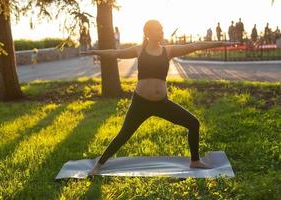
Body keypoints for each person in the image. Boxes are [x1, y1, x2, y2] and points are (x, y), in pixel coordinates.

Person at [80, 19, 235, 176]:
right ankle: (99, 165)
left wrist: (221, 43)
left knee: (193, 123)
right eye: (158, 30)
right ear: (147, 33)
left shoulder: (168, 51)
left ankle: (195, 161)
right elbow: (115, 53)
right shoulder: (139, 50)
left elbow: (195, 46)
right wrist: (95, 52)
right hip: (140, 103)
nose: (161, 32)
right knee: (123, 135)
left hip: (162, 103)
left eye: (162, 29)